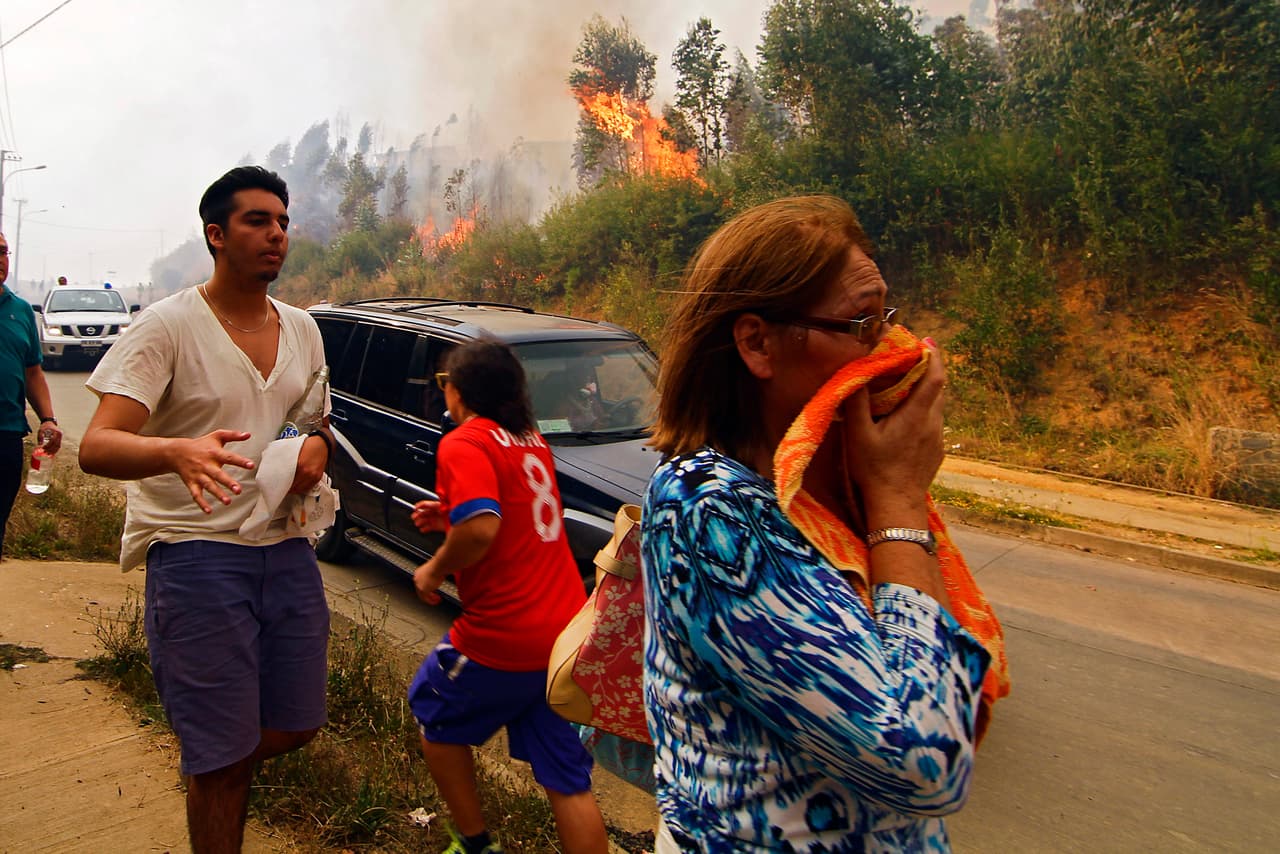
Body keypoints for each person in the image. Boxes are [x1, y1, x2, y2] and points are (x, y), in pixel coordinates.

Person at [641, 196, 1000, 851]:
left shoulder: (827, 486)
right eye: (860, 322)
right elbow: (928, 767)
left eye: (886, 315)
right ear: (757, 343)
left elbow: (946, 688)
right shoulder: (709, 509)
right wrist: (897, 498)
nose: (892, 345)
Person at [78, 166, 333, 853]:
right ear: (217, 236)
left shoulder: (305, 329)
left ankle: (215, 763)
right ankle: (215, 770)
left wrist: (314, 448)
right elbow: (97, 445)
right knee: (221, 760)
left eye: (282, 221)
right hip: (195, 558)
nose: (276, 234)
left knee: (299, 722)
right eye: (257, 221)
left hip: (286, 549)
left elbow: (312, 421)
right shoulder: (167, 327)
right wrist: (176, 453)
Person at [407, 338, 608, 854]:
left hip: (503, 636)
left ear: (461, 390)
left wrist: (433, 569)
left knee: (432, 709)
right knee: (568, 779)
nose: (444, 391)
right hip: (562, 634)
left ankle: (474, 843)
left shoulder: (463, 442)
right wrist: (449, 514)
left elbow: (481, 528)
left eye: (445, 382)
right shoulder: (529, 438)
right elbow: (511, 512)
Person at [0, 230, 62, 555]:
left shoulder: (21, 311)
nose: (0, 260)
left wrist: (48, 419)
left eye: (3, 252)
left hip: (7, 436)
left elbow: (33, 372)